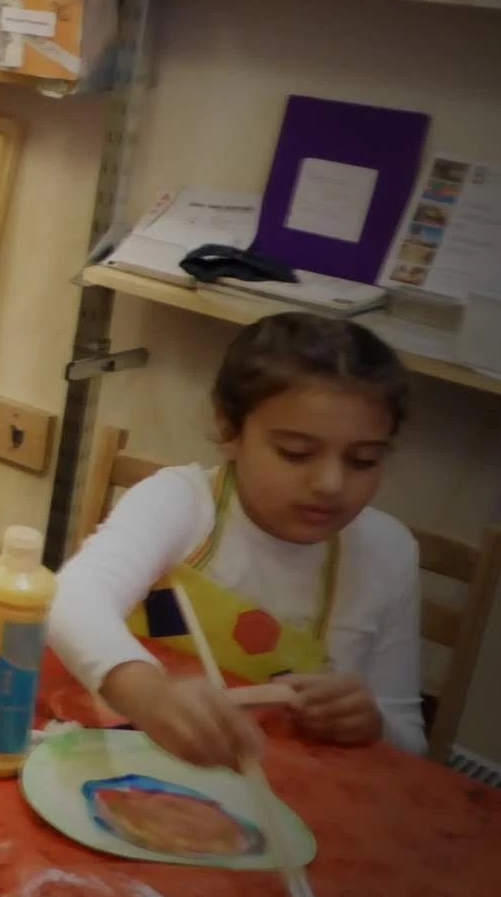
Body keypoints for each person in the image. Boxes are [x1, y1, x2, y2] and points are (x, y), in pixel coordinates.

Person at [48, 313, 426, 766]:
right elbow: (71, 598)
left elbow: (413, 746)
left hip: (285, 788)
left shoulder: (387, 553)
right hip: (132, 762)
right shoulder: (182, 503)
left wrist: (373, 724)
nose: (330, 483)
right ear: (230, 430)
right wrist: (149, 693)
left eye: (363, 460)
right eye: (296, 453)